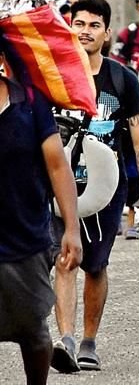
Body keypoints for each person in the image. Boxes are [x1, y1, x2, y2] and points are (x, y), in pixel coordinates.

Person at [52, 0, 139, 372]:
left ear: (107, 32)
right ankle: (64, 340)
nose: (85, 31)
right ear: (69, 27)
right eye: (79, 23)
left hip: (105, 190)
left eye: (94, 25)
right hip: (58, 185)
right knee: (64, 259)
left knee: (95, 266)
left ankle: (87, 341)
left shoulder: (121, 79)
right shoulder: (54, 75)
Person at [0, 45, 82, 385]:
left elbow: (57, 165)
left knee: (33, 331)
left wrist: (72, 229)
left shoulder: (30, 102)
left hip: (26, 236)